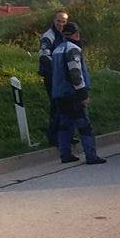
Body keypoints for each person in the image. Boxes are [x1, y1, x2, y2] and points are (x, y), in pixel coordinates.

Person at [50, 21, 106, 166]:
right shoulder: (73, 49)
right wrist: (82, 94)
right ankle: (91, 156)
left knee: (65, 124)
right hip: (72, 94)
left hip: (59, 93)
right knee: (84, 125)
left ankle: (65, 154)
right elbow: (75, 73)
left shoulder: (56, 50)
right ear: (76, 34)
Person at [39, 10, 69, 144]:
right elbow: (44, 56)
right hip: (51, 76)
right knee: (56, 105)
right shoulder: (48, 36)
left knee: (64, 106)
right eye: (58, 21)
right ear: (54, 21)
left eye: (64, 21)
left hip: (61, 76)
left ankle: (64, 135)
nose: (61, 24)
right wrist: (57, 69)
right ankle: (53, 137)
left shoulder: (64, 35)